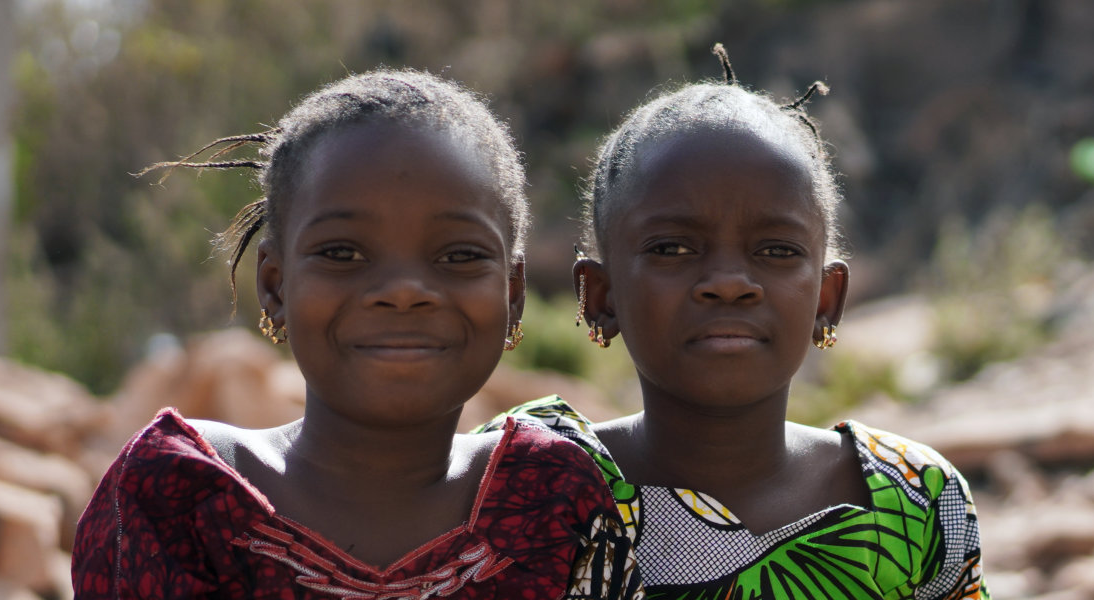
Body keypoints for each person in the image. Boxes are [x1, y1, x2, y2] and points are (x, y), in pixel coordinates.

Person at [74, 70, 639, 600]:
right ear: (274, 286)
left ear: (513, 296)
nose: (403, 290)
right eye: (342, 253)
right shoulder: (176, 497)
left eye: (459, 255)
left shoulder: (554, 499)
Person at [484, 46, 988, 599]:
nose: (728, 281)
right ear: (600, 296)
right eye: (672, 248)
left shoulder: (914, 502)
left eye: (775, 250)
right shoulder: (528, 481)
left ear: (827, 297)